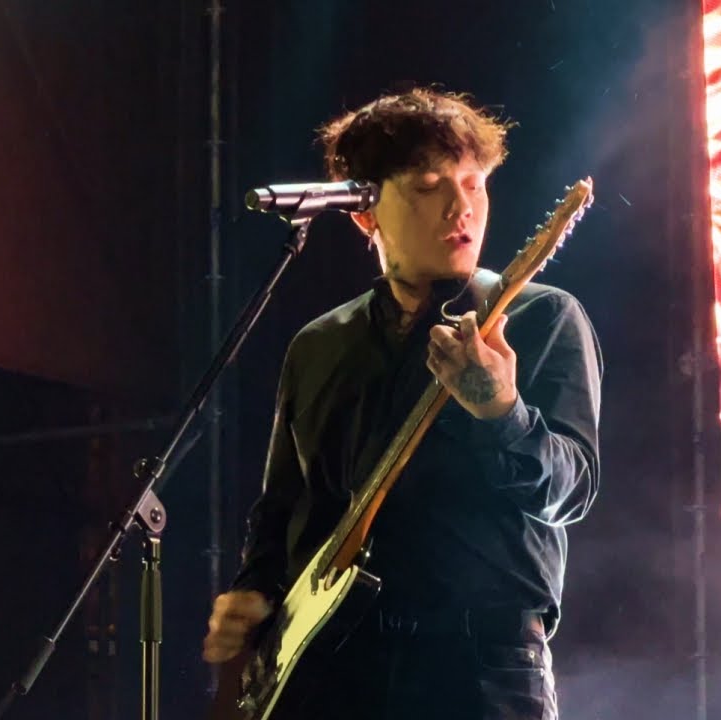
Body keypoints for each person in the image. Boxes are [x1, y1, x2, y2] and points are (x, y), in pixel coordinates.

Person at [202, 87, 602, 720]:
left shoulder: (541, 317)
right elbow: (284, 506)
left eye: (474, 184)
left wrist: (502, 413)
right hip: (331, 673)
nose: (461, 207)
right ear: (365, 213)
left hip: (480, 671)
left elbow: (571, 490)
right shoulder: (319, 344)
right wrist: (255, 590)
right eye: (427, 187)